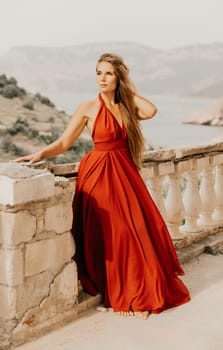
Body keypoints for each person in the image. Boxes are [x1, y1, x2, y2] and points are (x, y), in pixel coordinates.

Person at [14, 53, 190, 319]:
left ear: (118, 77)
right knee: (115, 233)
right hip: (99, 174)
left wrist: (128, 88)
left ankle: (138, 293)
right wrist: (40, 154)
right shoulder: (87, 108)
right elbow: (64, 142)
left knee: (137, 230)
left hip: (124, 172)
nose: (102, 79)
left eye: (108, 73)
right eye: (98, 73)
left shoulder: (126, 105)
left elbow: (151, 111)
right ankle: (124, 293)